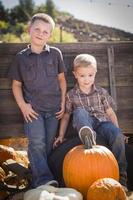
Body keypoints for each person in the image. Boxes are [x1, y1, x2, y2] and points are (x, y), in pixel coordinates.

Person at [8, 13, 67, 188]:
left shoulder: (55, 54)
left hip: (54, 110)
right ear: (30, 30)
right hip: (33, 110)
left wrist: (63, 103)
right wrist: (23, 106)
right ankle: (44, 181)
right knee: (37, 143)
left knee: (47, 146)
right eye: (37, 29)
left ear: (50, 35)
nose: (41, 34)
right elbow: (16, 85)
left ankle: (37, 176)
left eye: (46, 32)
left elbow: (62, 80)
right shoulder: (21, 58)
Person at [54, 53, 127, 190]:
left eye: (90, 75)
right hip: (85, 122)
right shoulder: (71, 95)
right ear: (75, 74)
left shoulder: (101, 92)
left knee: (115, 134)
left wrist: (118, 131)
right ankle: (87, 134)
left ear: (95, 74)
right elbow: (66, 116)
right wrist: (61, 135)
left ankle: (122, 178)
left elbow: (110, 112)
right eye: (82, 76)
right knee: (80, 111)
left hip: (103, 123)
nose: (86, 79)